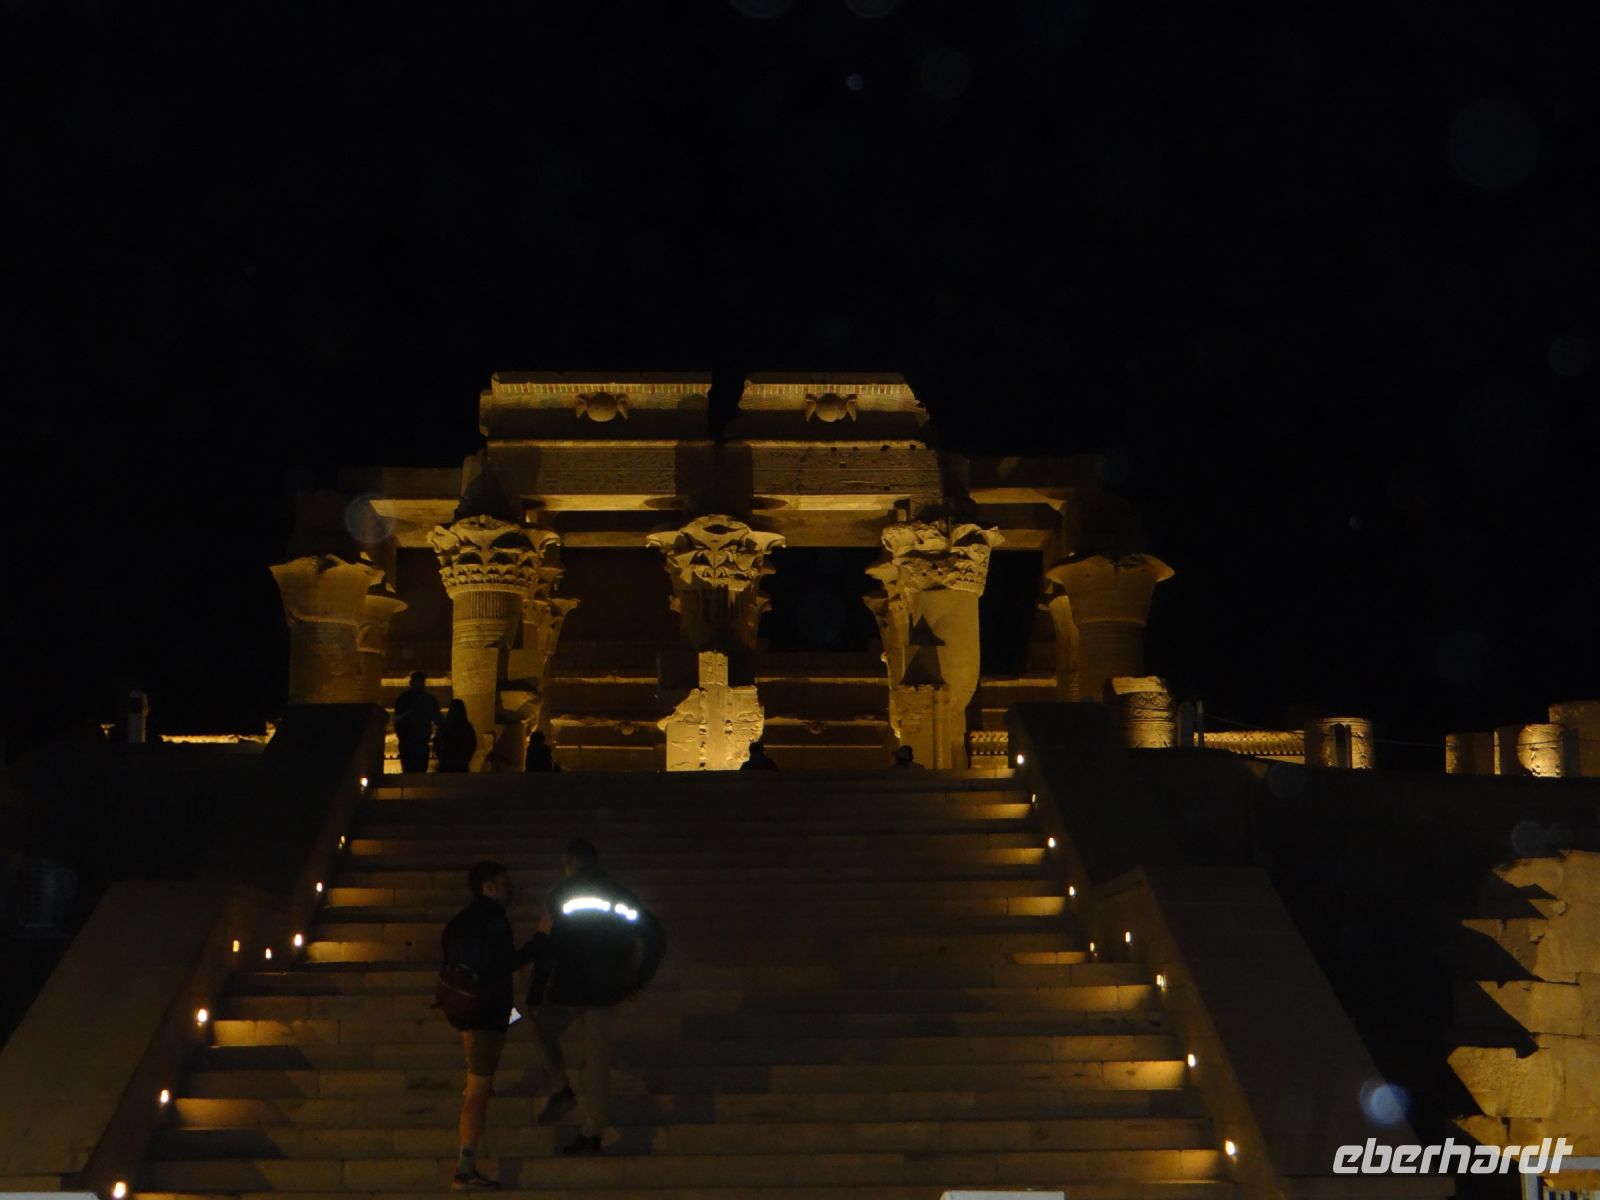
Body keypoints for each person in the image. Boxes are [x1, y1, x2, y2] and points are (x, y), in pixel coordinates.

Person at [527, 839, 666, 1157]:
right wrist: (638, 980)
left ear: (571, 862)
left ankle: (560, 1084)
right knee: (597, 1065)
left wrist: (536, 992)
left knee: (540, 1025)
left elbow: (545, 948)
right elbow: (655, 937)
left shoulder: (559, 895)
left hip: (569, 989)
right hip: (606, 992)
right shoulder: (620, 896)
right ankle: (592, 1133)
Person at [439, 861, 538, 1190]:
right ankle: (465, 1167)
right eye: (503, 882)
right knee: (477, 1091)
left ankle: (466, 1164)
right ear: (489, 886)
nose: (509, 888)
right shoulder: (494, 920)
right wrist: (539, 942)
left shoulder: (458, 922)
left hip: (467, 1010)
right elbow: (504, 964)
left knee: (479, 1080)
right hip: (487, 1016)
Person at [393, 672, 442, 773]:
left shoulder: (404, 698)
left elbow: (397, 719)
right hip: (414, 741)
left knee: (410, 772)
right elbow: (438, 719)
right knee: (418, 772)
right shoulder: (427, 699)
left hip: (412, 741)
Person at [435, 699, 477, 773]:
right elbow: (472, 745)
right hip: (460, 764)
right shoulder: (467, 728)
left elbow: (437, 744)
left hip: (447, 764)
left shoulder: (444, 727)